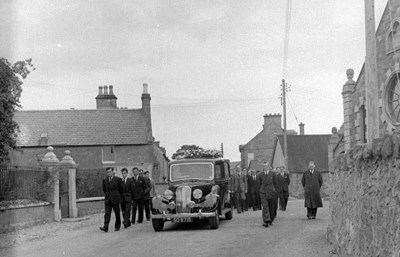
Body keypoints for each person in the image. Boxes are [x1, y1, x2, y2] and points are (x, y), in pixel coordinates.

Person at [100, 167, 123, 232]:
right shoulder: (105, 180)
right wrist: (108, 195)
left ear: (113, 172)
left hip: (115, 199)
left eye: (110, 172)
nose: (109, 173)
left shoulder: (118, 179)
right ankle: (105, 227)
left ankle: (117, 226)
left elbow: (121, 189)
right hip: (108, 199)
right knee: (107, 213)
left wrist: (118, 197)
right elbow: (104, 189)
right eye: (107, 172)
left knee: (117, 213)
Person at [256, 161, 277, 227]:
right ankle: (266, 220)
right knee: (265, 206)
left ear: (268, 166)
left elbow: (275, 183)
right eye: (263, 166)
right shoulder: (260, 175)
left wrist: (274, 191)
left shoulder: (273, 174)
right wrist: (261, 191)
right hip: (263, 192)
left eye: (265, 166)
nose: (264, 167)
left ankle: (271, 219)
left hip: (271, 192)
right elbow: (258, 184)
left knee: (271, 207)